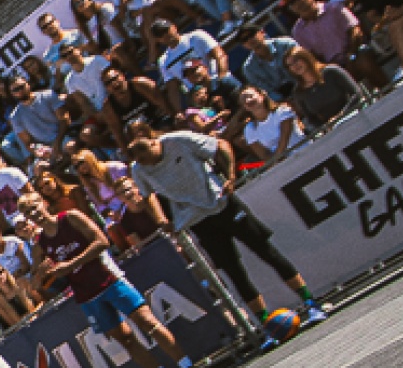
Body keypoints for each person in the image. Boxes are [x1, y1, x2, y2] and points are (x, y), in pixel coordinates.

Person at [126, 130, 330, 338]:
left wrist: (230, 175)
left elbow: (221, 145)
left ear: (154, 144)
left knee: (266, 251)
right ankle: (265, 324)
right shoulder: (139, 169)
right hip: (197, 219)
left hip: (222, 204)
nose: (146, 164)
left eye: (146, 157)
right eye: (140, 161)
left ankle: (310, 302)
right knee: (234, 271)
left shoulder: (178, 141)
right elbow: (148, 195)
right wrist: (161, 219)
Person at [19, 191, 198, 368]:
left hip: (109, 280)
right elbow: (35, 284)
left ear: (43, 203)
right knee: (125, 339)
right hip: (87, 295)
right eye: (28, 212)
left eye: (34, 207)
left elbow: (102, 241)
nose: (34, 214)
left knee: (149, 323)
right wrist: (40, 273)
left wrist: (71, 264)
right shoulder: (40, 244)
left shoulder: (70, 218)